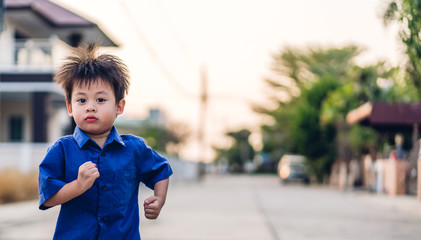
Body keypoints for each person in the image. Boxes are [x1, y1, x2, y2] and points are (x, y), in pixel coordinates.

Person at [38, 44, 173, 240]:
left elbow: (161, 170)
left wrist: (159, 199)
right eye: (81, 101)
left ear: (119, 106)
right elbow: (48, 197)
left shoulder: (134, 148)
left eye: (100, 100)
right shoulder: (62, 149)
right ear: (70, 107)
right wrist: (78, 185)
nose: (90, 107)